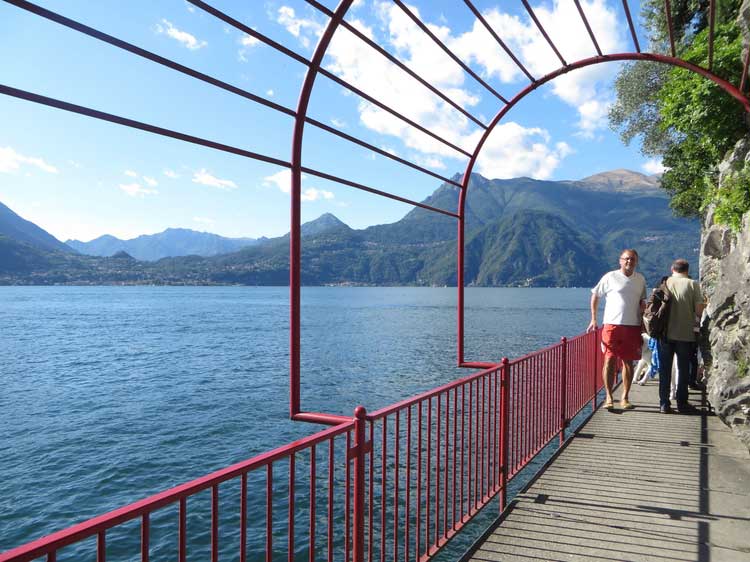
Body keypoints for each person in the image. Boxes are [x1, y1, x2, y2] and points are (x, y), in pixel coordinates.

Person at [587, 249, 647, 410]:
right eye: (626, 259)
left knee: (628, 362)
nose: (629, 262)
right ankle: (608, 397)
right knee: (609, 359)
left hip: (632, 325)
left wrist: (643, 306)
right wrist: (594, 319)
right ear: (620, 261)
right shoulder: (610, 277)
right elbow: (595, 295)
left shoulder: (640, 279)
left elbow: (642, 299)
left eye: (633, 259)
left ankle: (625, 398)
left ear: (637, 261)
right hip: (611, 325)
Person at [656, 259, 705, 414]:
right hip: (686, 334)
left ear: (672, 269)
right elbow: (699, 309)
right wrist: (696, 323)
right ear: (687, 270)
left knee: (664, 370)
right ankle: (682, 403)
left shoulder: (665, 283)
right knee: (684, 369)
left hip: (664, 334)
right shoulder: (692, 284)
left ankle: (664, 403)